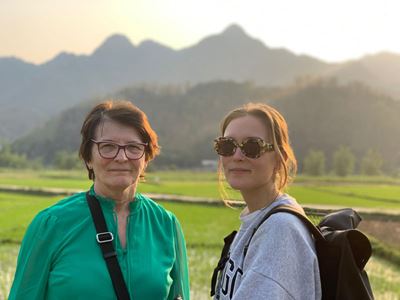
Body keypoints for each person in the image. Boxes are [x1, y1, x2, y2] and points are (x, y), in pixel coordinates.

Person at [9, 100, 190, 300]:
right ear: (88, 157)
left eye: (133, 147)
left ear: (146, 157)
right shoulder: (51, 224)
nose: (121, 158)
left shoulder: (165, 225)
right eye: (108, 146)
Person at [211, 103, 321, 299]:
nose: (237, 156)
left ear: (280, 158)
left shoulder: (280, 230)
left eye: (252, 147)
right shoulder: (257, 219)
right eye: (227, 146)